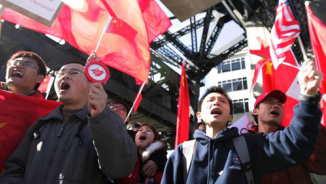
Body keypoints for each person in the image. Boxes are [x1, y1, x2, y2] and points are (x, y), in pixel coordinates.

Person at [161, 59, 323, 184]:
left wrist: (308, 97)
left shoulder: (249, 145)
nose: (216, 102)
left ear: (230, 117)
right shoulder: (183, 153)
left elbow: (296, 143)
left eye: (223, 101)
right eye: (210, 100)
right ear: (199, 115)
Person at [0, 60, 136, 183]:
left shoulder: (105, 123)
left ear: (92, 83)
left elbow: (119, 169)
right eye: (61, 73)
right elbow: (16, 167)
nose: (65, 76)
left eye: (74, 72)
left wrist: (103, 117)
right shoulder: (41, 124)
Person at [250, 89, 326, 184]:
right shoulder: (244, 144)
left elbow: (320, 165)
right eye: (269, 101)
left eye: (280, 104)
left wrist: (312, 122)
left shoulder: (296, 139)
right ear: (255, 111)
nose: (275, 106)